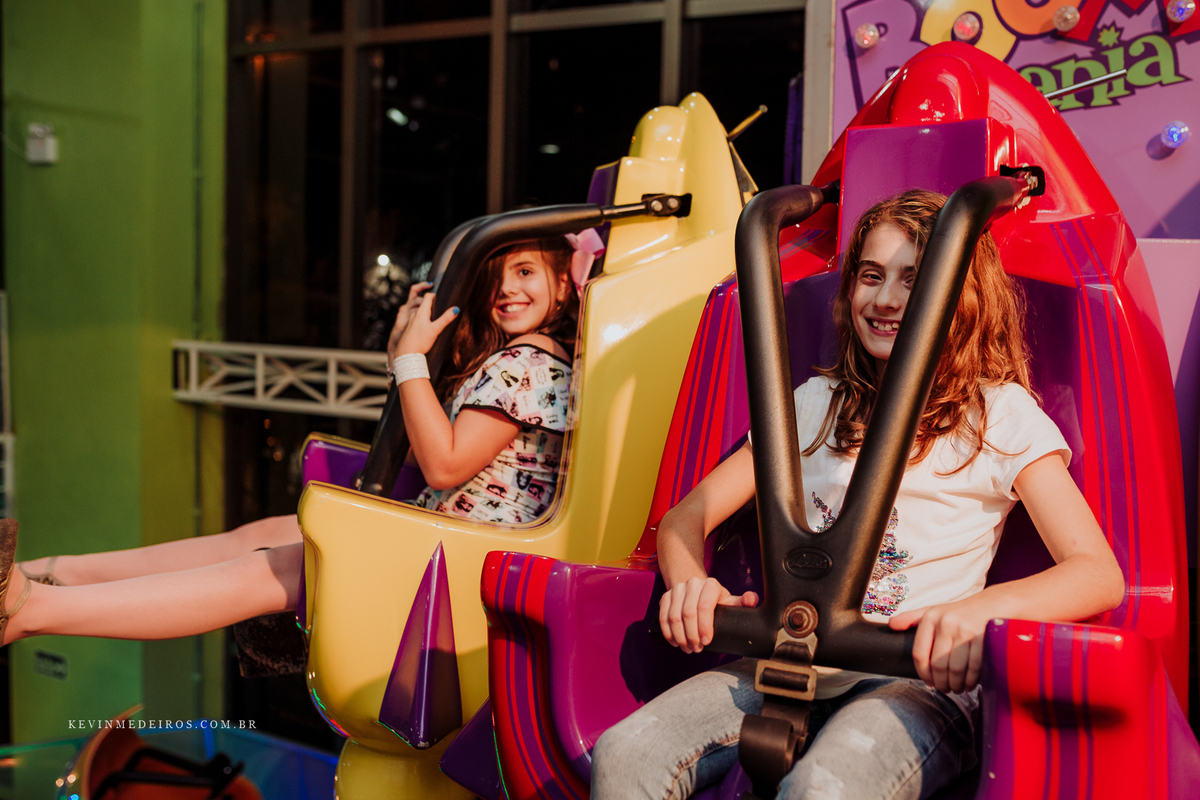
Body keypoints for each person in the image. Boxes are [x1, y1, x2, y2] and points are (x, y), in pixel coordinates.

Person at [590, 191, 1124, 800]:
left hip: (912, 681)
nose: (887, 297)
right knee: (627, 752)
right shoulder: (815, 407)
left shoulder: (998, 416)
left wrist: (976, 614)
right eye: (872, 276)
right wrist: (690, 582)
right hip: (787, 665)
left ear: (963, 297)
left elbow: (1096, 573)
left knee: (826, 787)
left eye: (913, 278)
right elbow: (686, 517)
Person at [0, 236, 582, 645]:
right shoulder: (521, 357)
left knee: (270, 569)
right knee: (265, 534)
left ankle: (34, 609)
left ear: (563, 281)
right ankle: (57, 571)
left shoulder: (529, 363)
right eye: (498, 275)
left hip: (466, 566)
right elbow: (422, 418)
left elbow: (445, 464)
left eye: (526, 272)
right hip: (452, 545)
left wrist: (409, 359)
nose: (507, 288)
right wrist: (407, 348)